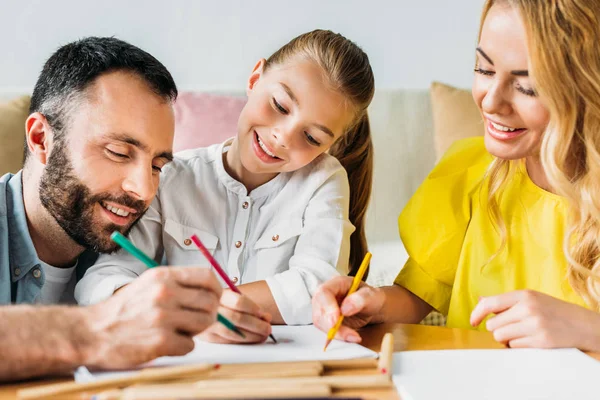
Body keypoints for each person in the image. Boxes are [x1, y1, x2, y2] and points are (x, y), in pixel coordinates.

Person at [312, 0, 600, 351]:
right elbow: (420, 294)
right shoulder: (469, 173)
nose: (491, 101)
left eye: (528, 87)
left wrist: (588, 328)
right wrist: (370, 303)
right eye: (484, 69)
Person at [75, 29, 375, 339]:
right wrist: (176, 311)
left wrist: (209, 306)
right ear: (255, 78)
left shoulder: (322, 179)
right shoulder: (172, 176)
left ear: (331, 144)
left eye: (311, 138)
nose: (282, 137)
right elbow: (101, 281)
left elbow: (319, 285)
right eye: (280, 106)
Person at [0, 37, 225, 381]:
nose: (144, 189)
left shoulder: (144, 240)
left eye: (157, 166)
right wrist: (94, 331)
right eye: (119, 152)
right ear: (41, 139)